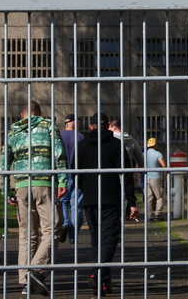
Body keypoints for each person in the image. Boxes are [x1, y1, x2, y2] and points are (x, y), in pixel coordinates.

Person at [0, 101, 67, 296]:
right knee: (53, 228)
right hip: (45, 183)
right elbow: (58, 154)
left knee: (27, 234)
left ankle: (24, 280)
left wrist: (6, 190)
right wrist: (62, 180)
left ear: (22, 115)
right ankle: (36, 271)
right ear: (40, 113)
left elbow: (4, 162)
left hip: (22, 186)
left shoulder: (13, 132)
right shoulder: (48, 126)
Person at [75, 113, 138, 296]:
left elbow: (75, 172)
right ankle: (98, 276)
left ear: (91, 126)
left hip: (89, 198)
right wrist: (131, 201)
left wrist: (84, 188)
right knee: (109, 238)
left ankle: (102, 282)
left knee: (96, 240)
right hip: (111, 197)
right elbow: (126, 174)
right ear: (106, 125)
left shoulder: (82, 145)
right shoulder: (115, 144)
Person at [59, 113, 83, 244]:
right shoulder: (80, 137)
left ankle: (65, 223)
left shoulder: (59, 137)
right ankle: (73, 237)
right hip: (77, 174)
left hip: (62, 174)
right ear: (74, 122)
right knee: (77, 206)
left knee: (63, 202)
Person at [143, 138, 167, 221]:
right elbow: (163, 165)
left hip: (146, 177)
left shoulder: (143, 154)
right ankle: (158, 213)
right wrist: (166, 174)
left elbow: (138, 165)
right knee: (159, 196)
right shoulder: (158, 154)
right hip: (155, 177)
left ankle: (149, 215)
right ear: (155, 145)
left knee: (149, 197)